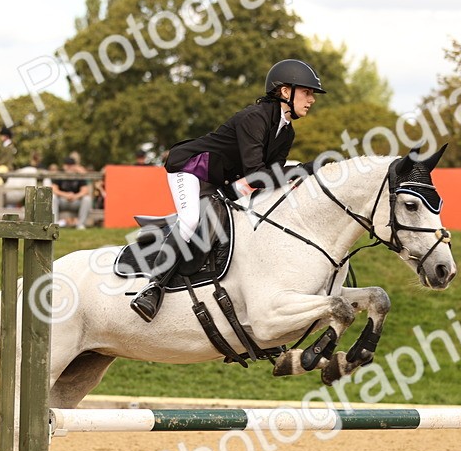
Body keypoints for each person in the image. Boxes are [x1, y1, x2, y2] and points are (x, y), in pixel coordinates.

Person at [129, 59, 324, 322]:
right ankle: (153, 287)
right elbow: (257, 173)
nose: (311, 100)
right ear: (286, 92)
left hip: (222, 180)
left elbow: (270, 180)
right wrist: (303, 169)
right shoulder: (254, 118)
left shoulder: (286, 132)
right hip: (192, 169)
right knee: (190, 220)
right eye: (307, 92)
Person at [52, 153, 93, 228]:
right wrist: (65, 195)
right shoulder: (59, 175)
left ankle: (80, 224)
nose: (69, 167)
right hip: (62, 201)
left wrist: (75, 196)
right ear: (64, 166)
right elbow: (54, 189)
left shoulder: (79, 175)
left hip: (75, 201)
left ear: (75, 166)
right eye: (67, 165)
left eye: (71, 165)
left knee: (87, 199)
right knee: (53, 197)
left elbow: (85, 191)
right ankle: (55, 224)